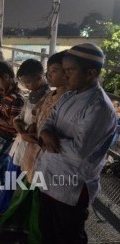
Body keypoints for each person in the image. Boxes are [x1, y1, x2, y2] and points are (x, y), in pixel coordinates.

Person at [36, 43, 117, 243]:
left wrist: (51, 138)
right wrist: (46, 133)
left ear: (90, 73)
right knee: (47, 231)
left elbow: (79, 153)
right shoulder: (70, 95)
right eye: (63, 71)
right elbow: (48, 121)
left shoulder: (99, 108)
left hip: (71, 187)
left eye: (69, 71)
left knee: (68, 236)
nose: (64, 77)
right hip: (50, 177)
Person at [0, 51, 67, 243]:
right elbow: (30, 116)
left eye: (54, 72)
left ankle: (19, 226)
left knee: (30, 196)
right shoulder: (45, 96)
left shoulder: (58, 97)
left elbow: (49, 129)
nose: (49, 76)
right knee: (17, 187)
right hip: (27, 149)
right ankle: (10, 220)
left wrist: (36, 134)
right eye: (50, 71)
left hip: (41, 156)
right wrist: (18, 124)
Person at [0, 59, 50, 218]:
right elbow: (18, 118)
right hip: (20, 144)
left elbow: (38, 129)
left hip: (31, 150)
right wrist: (20, 128)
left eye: (28, 83)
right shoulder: (31, 95)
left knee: (20, 187)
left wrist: (23, 130)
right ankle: (1, 212)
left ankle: (7, 216)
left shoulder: (47, 98)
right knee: (10, 182)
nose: (26, 86)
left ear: (39, 78)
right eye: (24, 83)